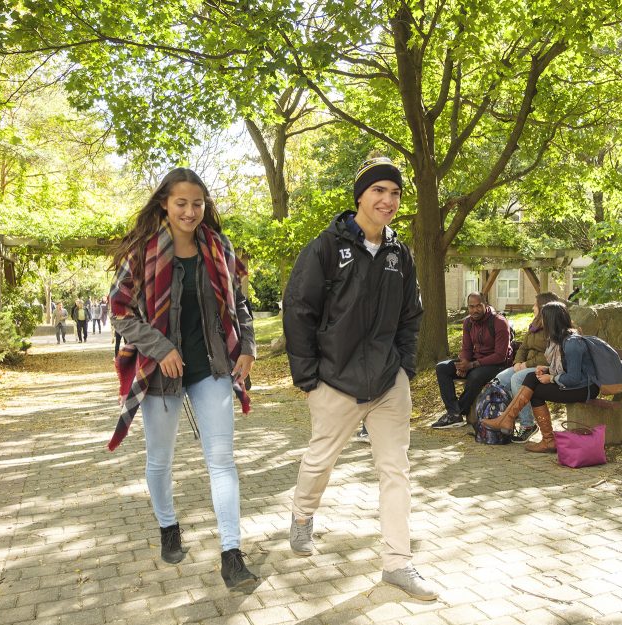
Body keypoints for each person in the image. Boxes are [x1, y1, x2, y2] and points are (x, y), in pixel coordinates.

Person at [282, 155, 435, 601]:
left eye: (395, 193)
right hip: (335, 382)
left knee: (396, 473)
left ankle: (398, 564)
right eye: (379, 191)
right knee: (319, 461)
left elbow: (412, 315)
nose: (388, 200)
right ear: (360, 197)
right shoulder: (327, 247)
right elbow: (298, 310)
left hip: (388, 384)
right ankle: (303, 515)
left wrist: (404, 367)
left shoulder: (399, 253)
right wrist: (309, 377)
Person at [108, 167, 257, 589]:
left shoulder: (221, 248)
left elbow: (239, 305)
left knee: (222, 461)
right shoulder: (143, 253)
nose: (190, 211)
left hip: (211, 368)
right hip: (160, 374)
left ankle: (231, 554)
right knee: (160, 458)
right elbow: (118, 311)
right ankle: (169, 528)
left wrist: (247, 347)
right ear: (164, 205)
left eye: (197, 203)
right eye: (181, 203)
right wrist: (161, 347)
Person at [480, 301, 598, 453]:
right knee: (532, 378)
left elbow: (574, 378)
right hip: (574, 384)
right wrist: (548, 369)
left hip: (584, 388)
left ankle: (540, 436)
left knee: (534, 389)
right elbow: (566, 368)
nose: (541, 322)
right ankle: (511, 421)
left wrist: (551, 378)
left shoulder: (572, 343)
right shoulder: (560, 339)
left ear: (551, 321)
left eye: (544, 319)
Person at [430, 293, 512, 428]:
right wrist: (462, 364)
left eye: (478, 306)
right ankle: (453, 412)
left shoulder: (499, 322)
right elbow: (466, 348)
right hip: (476, 361)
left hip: (497, 365)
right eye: (471, 306)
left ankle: (457, 413)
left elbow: (500, 355)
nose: (475, 310)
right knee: (442, 367)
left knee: (475, 375)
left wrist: (472, 365)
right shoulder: (468, 322)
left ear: (485, 304)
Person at [492, 291, 559, 443]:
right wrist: (517, 362)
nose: (533, 308)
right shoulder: (534, 324)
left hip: (545, 367)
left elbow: (549, 355)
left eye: (535, 305)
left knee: (517, 379)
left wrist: (526, 365)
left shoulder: (554, 327)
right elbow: (523, 347)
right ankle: (504, 420)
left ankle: (527, 424)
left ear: (543, 307)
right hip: (526, 364)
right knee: (500, 379)